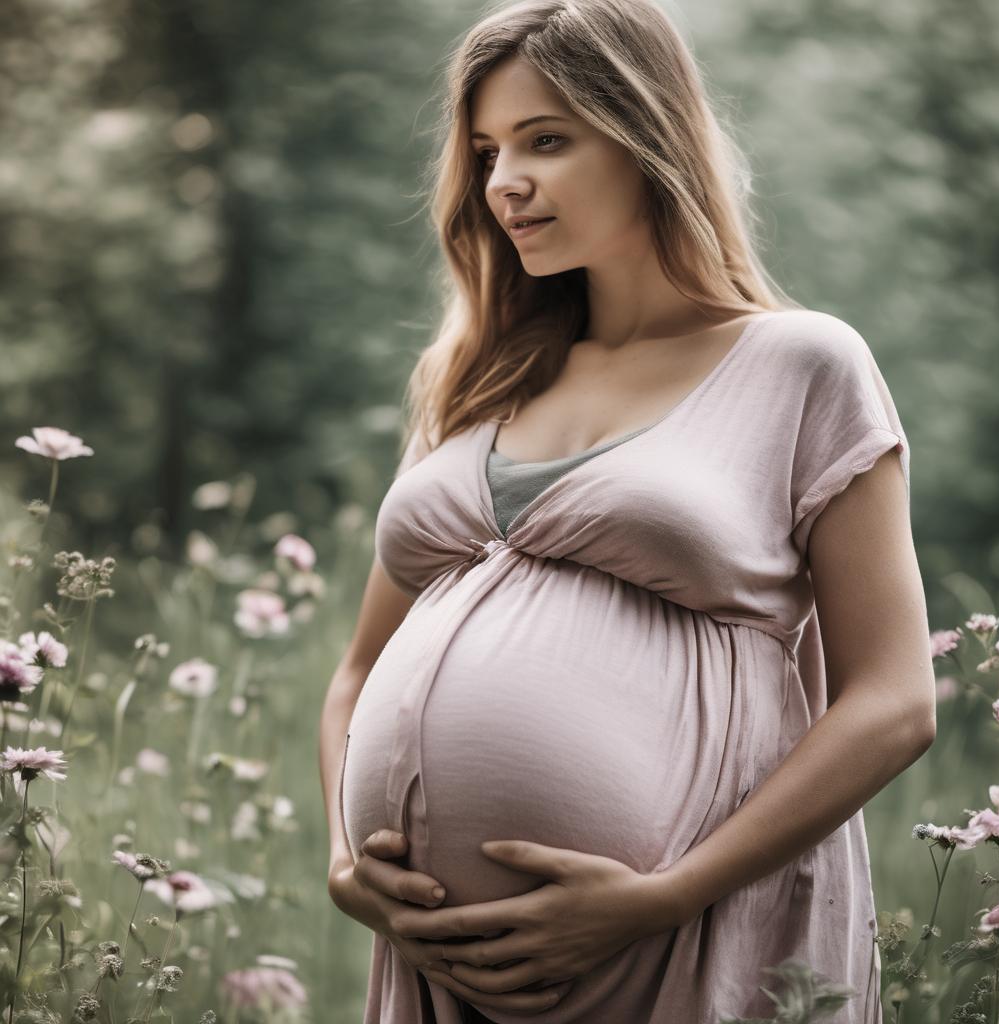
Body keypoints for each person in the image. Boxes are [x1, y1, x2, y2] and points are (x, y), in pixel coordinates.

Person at [320, 1, 936, 1021]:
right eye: (485, 151)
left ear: (648, 135)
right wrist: (347, 864)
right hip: (440, 961)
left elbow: (892, 701)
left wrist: (663, 896)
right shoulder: (473, 380)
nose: (503, 181)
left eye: (546, 140)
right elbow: (356, 673)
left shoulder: (799, 364)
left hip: (677, 937)